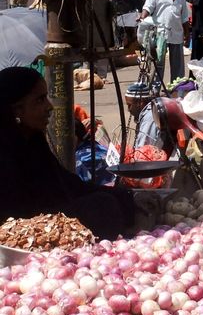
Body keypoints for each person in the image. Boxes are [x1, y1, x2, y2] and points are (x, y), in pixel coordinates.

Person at [0, 67, 135, 239]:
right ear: (17, 110)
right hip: (21, 233)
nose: (49, 107)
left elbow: (69, 185)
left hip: (48, 218)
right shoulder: (4, 154)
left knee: (117, 197)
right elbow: (19, 215)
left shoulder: (33, 142)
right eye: (40, 100)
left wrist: (122, 194)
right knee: (102, 206)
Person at [140, 0, 190, 83]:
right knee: (158, 63)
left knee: (178, 65)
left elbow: (184, 17)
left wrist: (187, 34)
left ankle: (177, 88)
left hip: (177, 34)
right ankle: (155, 88)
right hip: (160, 34)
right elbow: (148, 7)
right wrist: (142, 17)